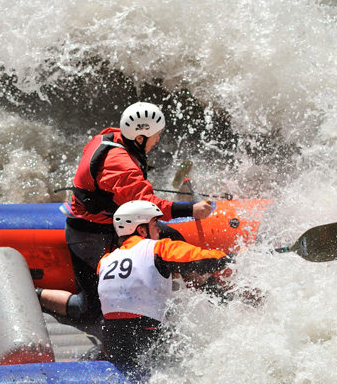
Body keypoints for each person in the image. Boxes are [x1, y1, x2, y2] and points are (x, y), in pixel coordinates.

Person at [39, 102, 214, 322]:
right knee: (89, 310)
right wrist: (190, 208)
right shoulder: (120, 164)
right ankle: (37, 296)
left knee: (171, 237)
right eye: (156, 135)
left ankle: (206, 290)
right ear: (139, 138)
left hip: (118, 224)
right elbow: (147, 205)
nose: (158, 139)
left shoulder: (113, 136)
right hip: (89, 234)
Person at [97, 201, 233, 380]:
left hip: (112, 340)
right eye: (155, 224)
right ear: (142, 230)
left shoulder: (105, 260)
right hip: (146, 338)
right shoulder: (159, 248)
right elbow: (203, 258)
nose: (160, 230)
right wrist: (232, 257)